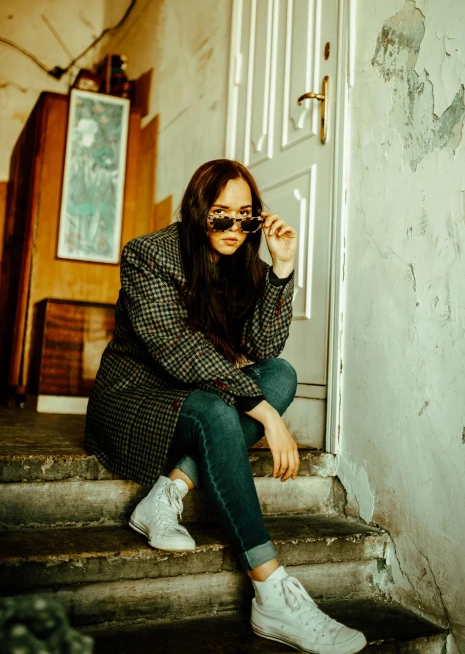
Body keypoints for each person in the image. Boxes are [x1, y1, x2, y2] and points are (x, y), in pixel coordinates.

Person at [85, 159, 366, 654]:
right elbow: (175, 347)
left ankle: (169, 491)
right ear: (198, 212)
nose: (234, 228)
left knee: (280, 376)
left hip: (198, 395)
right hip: (135, 400)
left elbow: (262, 347)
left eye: (245, 217)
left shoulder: (245, 264)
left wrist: (281, 268)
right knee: (224, 410)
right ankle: (271, 589)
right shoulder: (148, 255)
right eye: (220, 215)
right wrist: (266, 415)